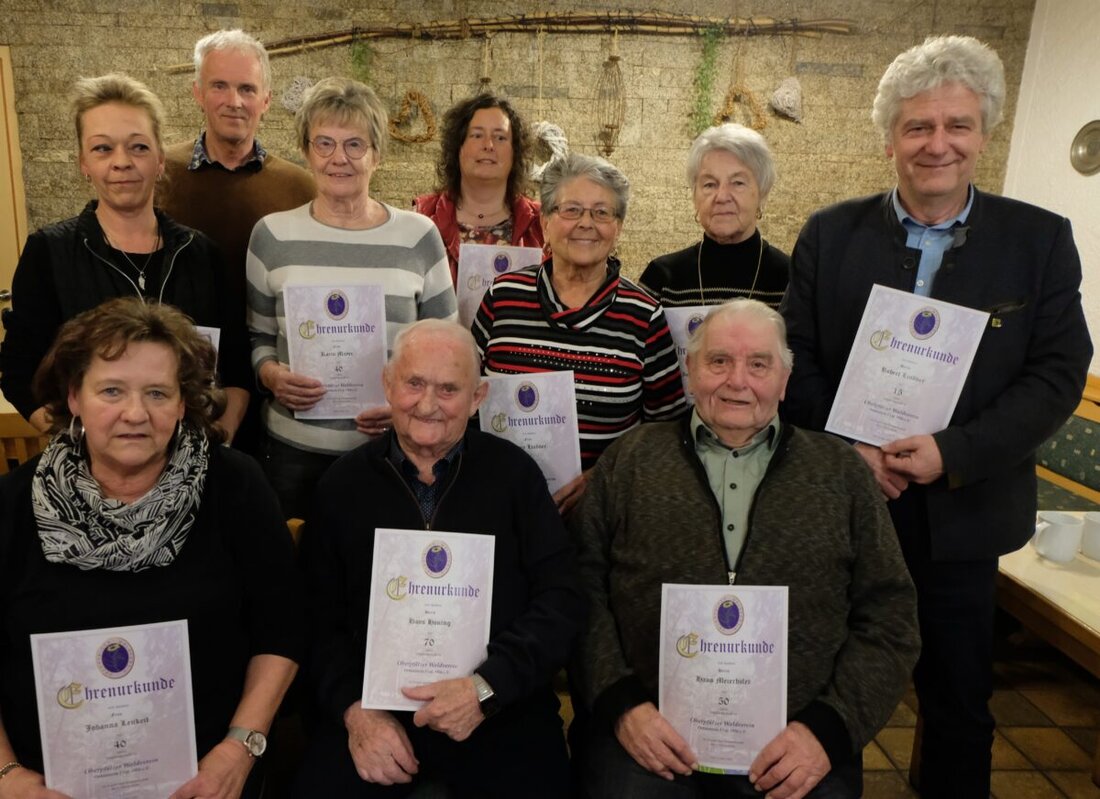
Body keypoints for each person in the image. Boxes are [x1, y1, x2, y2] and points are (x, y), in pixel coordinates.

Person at [780, 35, 1092, 798]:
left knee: (958, 700)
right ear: (890, 138)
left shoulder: (1039, 239)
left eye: (957, 124)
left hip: (967, 510)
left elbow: (1055, 372)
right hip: (845, 506)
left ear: (984, 132)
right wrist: (847, 447)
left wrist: (954, 451)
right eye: (918, 126)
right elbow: (796, 357)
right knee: (815, 687)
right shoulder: (830, 232)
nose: (938, 144)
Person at [571, 300, 920, 799]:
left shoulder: (841, 475)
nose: (738, 381)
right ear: (690, 369)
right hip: (649, 732)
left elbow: (892, 617)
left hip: (796, 741)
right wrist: (619, 703)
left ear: (784, 378)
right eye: (718, 361)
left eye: (758, 364)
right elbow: (579, 589)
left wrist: (830, 728)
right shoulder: (630, 459)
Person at [0, 297, 303, 799]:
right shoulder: (12, 505)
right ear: (74, 396)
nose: (135, 414)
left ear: (183, 403)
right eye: (112, 390)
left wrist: (238, 749)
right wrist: (7, 776)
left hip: (206, 778)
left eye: (158, 393)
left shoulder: (234, 486)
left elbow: (285, 628)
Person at [294, 319, 584, 798]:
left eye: (449, 389)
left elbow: (563, 599)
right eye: (414, 384)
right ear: (388, 385)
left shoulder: (516, 477)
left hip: (499, 707)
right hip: (378, 715)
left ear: (477, 398)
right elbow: (314, 619)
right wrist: (355, 711)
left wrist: (487, 688)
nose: (427, 405)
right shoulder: (341, 486)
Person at [247, 77, 457, 519]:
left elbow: (447, 349)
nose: (338, 158)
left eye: (354, 144)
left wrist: (407, 405)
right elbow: (258, 334)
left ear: (377, 155)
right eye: (324, 143)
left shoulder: (418, 237)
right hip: (292, 455)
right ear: (306, 151)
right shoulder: (271, 236)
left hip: (392, 453)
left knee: (377, 580)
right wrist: (269, 375)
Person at [0, 73, 251, 442]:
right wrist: (86, 448)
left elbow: (238, 368)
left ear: (161, 159)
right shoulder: (49, 253)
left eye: (138, 147)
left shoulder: (202, 255)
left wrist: (218, 442)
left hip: (195, 470)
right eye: (103, 148)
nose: (122, 162)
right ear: (83, 162)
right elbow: (19, 373)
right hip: (92, 475)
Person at [472, 152, 686, 513]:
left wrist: (601, 476)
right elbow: (466, 395)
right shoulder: (502, 296)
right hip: (499, 503)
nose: (586, 223)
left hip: (599, 515)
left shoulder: (645, 315)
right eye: (571, 210)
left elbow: (665, 432)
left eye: (602, 212)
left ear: (617, 227)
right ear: (545, 220)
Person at [161, 28, 315, 315]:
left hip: (269, 355)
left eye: (247, 89)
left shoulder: (300, 188)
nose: (234, 102)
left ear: (266, 100)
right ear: (198, 92)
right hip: (181, 350)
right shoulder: (160, 174)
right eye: (219, 86)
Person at [639, 124, 788, 310]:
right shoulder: (661, 277)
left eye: (737, 183)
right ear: (694, 196)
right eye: (709, 184)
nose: (722, 196)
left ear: (762, 193)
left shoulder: (790, 280)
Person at [413, 93, 543, 284]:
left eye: (500, 137)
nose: (488, 145)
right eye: (477, 135)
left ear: (515, 152)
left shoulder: (541, 225)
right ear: (458, 147)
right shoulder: (422, 217)